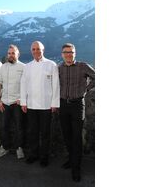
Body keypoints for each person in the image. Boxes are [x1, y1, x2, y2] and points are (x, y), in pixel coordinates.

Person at [58, 43, 95, 182]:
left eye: (71, 52)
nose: (68, 54)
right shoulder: (59, 68)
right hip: (63, 105)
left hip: (78, 105)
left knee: (76, 137)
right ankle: (71, 159)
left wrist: (86, 89)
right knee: (67, 135)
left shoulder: (82, 66)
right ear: (62, 54)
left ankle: (76, 168)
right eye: (66, 52)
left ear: (75, 53)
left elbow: (96, 77)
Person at [20, 41, 60, 167]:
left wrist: (54, 103)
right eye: (34, 49)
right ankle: (33, 154)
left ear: (43, 50)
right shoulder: (27, 66)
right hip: (31, 104)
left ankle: (44, 156)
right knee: (32, 132)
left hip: (46, 105)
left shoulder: (51, 64)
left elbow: (56, 85)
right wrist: (23, 102)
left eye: (38, 49)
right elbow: (23, 85)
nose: (36, 51)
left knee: (45, 133)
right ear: (31, 51)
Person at [0, 44, 25, 159]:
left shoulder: (23, 67)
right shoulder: (3, 67)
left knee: (19, 127)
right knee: (4, 127)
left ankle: (19, 148)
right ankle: (5, 147)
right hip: (4, 102)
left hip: (17, 102)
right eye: (9, 53)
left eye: (13, 53)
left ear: (18, 54)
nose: (11, 55)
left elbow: (28, 85)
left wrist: (22, 99)